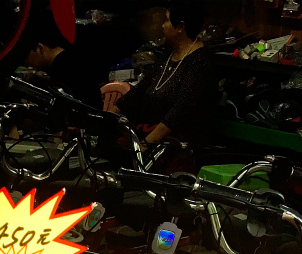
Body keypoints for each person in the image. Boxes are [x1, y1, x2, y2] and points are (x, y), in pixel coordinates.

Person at [100, 0, 217, 146]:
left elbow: (180, 111)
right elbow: (138, 91)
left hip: (177, 143)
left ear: (181, 27)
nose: (163, 25)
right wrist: (104, 119)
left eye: (167, 20)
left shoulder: (200, 63)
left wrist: (146, 144)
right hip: (150, 133)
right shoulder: (168, 54)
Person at [24, 10, 105, 110]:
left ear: (40, 48)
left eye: (26, 56)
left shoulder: (62, 67)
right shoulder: (70, 57)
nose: (27, 63)